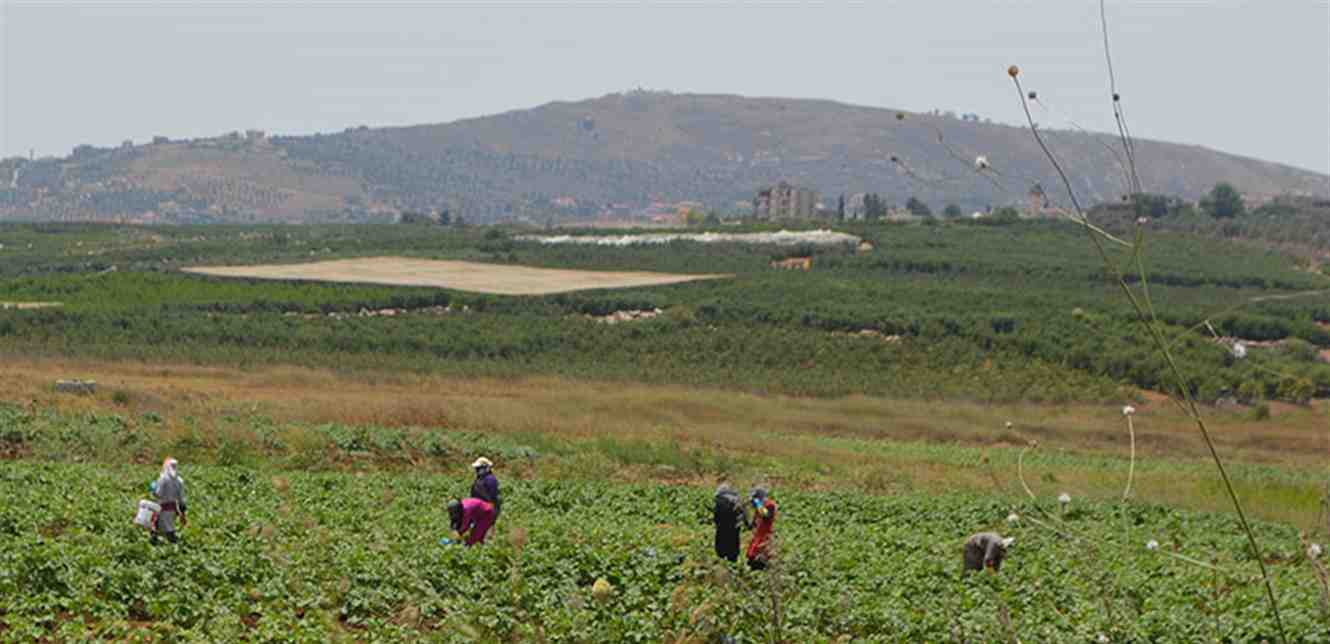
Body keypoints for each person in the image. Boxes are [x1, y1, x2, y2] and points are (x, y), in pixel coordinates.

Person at [151, 457, 187, 545]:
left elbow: (158, 494)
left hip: (162, 508)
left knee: (161, 530)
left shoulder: (163, 479)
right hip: (173, 509)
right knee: (169, 527)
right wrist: (183, 514)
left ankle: (173, 547)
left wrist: (153, 488)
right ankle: (171, 546)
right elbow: (182, 500)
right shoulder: (179, 481)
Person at [713, 483, 749, 562]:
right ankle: (732, 565)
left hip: (721, 528)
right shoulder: (737, 499)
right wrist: (747, 524)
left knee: (721, 551)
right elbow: (744, 514)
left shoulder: (719, 498)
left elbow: (716, 516)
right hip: (734, 529)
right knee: (733, 552)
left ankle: (722, 566)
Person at [745, 486, 777, 570]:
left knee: (761, 560)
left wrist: (757, 503)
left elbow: (766, 515)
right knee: (751, 558)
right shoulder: (759, 508)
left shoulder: (770, 505)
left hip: (765, 537)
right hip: (758, 537)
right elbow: (751, 526)